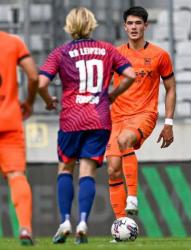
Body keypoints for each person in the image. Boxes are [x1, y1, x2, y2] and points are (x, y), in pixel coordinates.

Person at [38, 7, 135, 244]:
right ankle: (82, 221)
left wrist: (49, 99)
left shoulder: (60, 53)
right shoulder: (106, 49)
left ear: (69, 27)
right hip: (99, 118)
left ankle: (64, 222)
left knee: (65, 169)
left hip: (72, 118)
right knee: (88, 172)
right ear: (92, 25)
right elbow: (131, 75)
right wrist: (112, 95)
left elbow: (41, 82)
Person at [106, 6, 176, 220]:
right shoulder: (116, 55)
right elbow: (102, 88)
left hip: (143, 114)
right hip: (116, 117)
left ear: (146, 26)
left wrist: (169, 123)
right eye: (130, 23)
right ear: (124, 27)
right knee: (112, 169)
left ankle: (133, 197)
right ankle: (121, 225)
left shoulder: (160, 55)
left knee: (126, 139)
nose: (134, 27)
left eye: (138, 23)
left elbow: (171, 88)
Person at [0, 31, 38, 245]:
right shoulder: (13, 42)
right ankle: (25, 228)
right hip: (9, 120)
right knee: (16, 176)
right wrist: (30, 102)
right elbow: (33, 76)